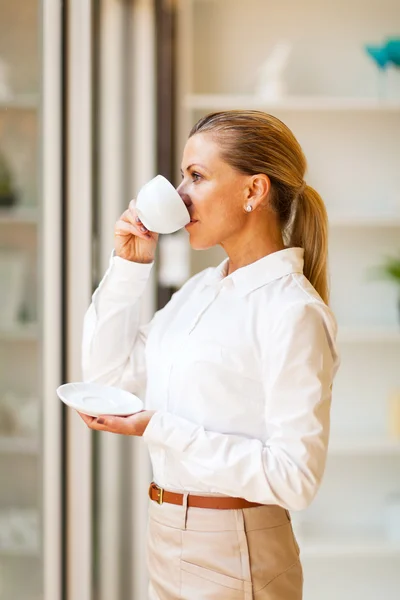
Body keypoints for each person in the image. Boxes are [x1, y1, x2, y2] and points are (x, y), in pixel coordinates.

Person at [79, 110, 340, 600]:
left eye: (196, 176)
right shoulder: (200, 291)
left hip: (234, 547)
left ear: (253, 191)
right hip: (166, 532)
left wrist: (159, 427)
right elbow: (107, 377)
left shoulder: (291, 311)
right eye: (182, 175)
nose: (179, 194)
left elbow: (296, 479)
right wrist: (127, 270)